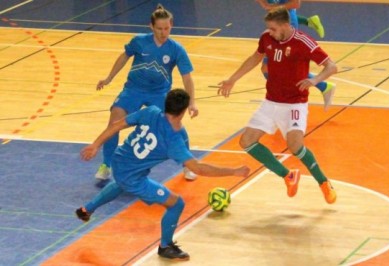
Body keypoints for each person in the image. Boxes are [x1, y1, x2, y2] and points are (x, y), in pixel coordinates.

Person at [76, 89, 250, 261]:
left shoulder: (150, 111)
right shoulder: (174, 140)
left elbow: (116, 125)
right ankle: (166, 247)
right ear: (183, 112)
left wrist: (95, 145)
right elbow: (198, 168)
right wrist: (233, 171)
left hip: (119, 161)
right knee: (176, 204)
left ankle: (86, 210)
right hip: (132, 177)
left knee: (121, 182)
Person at [217, 7, 337, 204]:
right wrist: (232, 79)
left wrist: (316, 81)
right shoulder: (267, 38)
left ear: (286, 26)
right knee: (246, 141)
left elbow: (332, 66)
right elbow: (255, 58)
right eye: (268, 28)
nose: (269, 32)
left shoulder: (303, 42)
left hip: (295, 104)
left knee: (296, 146)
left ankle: (323, 183)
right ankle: (288, 176)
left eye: (273, 29)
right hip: (271, 101)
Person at [94, 4, 199, 181]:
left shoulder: (176, 49)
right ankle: (106, 165)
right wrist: (109, 77)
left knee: (175, 125)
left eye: (167, 28)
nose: (163, 32)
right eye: (159, 28)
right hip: (133, 90)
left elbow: (187, 78)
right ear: (151, 27)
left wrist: (192, 102)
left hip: (159, 93)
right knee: (114, 121)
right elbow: (124, 56)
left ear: (171, 25)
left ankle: (188, 165)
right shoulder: (139, 41)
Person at [255, 0, 336, 110]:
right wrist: (264, 4)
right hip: (278, 22)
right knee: (266, 68)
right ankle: (323, 87)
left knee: (281, 68)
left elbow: (296, 3)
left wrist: (275, 8)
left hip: (286, 24)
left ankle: (288, 96)